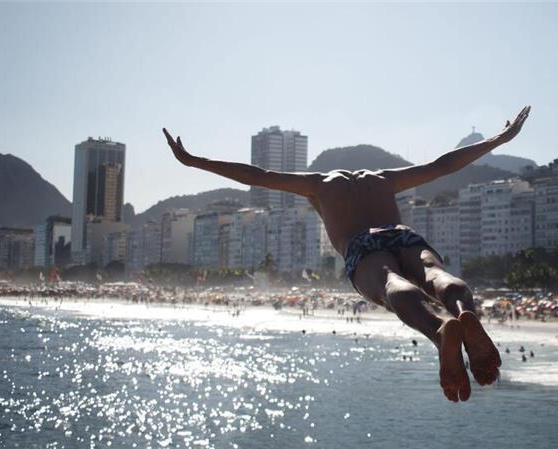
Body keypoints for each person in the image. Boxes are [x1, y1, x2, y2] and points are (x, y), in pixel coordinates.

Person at [163, 106, 530, 402]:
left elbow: (255, 175)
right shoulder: (383, 177)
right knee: (435, 274)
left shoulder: (316, 185)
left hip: (361, 245)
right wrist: (499, 138)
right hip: (402, 235)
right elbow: (442, 165)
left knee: (389, 284)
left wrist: (196, 161)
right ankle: (463, 312)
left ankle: (439, 330)